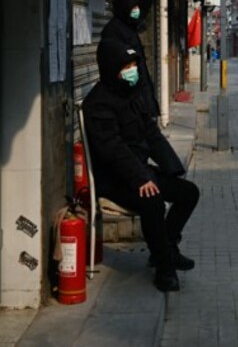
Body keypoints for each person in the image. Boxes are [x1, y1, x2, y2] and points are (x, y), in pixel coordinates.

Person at [83, 38, 200, 292]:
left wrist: (173, 168)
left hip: (140, 171)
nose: (132, 69)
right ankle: (165, 268)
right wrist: (141, 178)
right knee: (153, 201)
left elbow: (151, 133)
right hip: (115, 179)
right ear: (112, 66)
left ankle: (164, 250)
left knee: (188, 193)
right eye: (127, 65)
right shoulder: (98, 103)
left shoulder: (133, 95)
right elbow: (112, 149)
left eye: (135, 64)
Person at [99, 0, 185, 177]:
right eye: (132, 6)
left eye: (137, 6)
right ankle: (144, 175)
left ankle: (172, 169)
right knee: (137, 139)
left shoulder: (129, 29)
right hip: (130, 96)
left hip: (139, 95)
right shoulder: (115, 31)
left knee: (147, 135)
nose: (136, 10)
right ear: (123, 7)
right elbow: (116, 66)